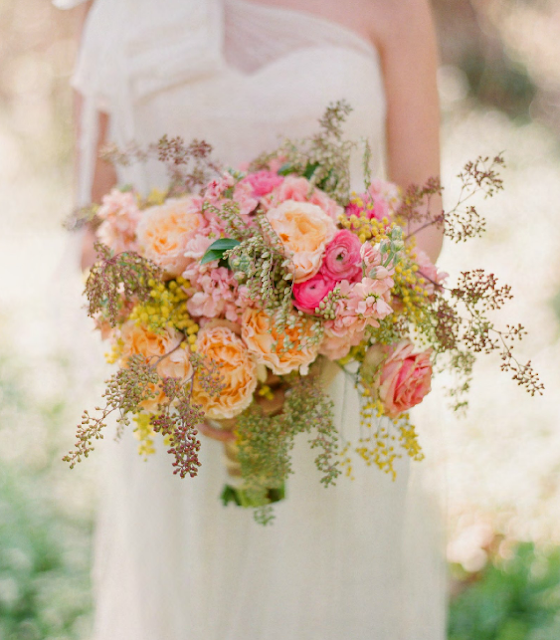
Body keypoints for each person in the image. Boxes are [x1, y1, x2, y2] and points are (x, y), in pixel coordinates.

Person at [57, 0, 447, 637]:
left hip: (338, 389)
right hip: (178, 404)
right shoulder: (114, 10)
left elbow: (423, 210)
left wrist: (338, 325)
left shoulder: (396, 9)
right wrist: (180, 338)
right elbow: (91, 221)